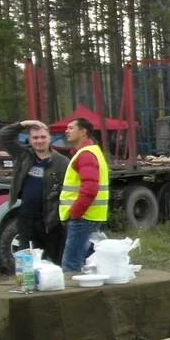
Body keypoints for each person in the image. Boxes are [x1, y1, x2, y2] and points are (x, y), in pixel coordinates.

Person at [0, 119, 71, 263]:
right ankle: (28, 283)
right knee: (27, 260)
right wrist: (24, 123)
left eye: (43, 137)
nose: (39, 141)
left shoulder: (62, 162)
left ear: (50, 138)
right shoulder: (24, 155)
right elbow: (2, 136)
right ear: (29, 140)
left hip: (51, 221)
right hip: (26, 217)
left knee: (57, 261)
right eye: (35, 138)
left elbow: (68, 191)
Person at [59, 117, 110, 273]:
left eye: (71, 128)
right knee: (91, 265)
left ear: (83, 132)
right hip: (90, 216)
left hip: (83, 218)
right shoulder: (90, 151)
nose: (66, 131)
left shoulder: (86, 155)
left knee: (71, 265)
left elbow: (90, 188)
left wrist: (75, 213)